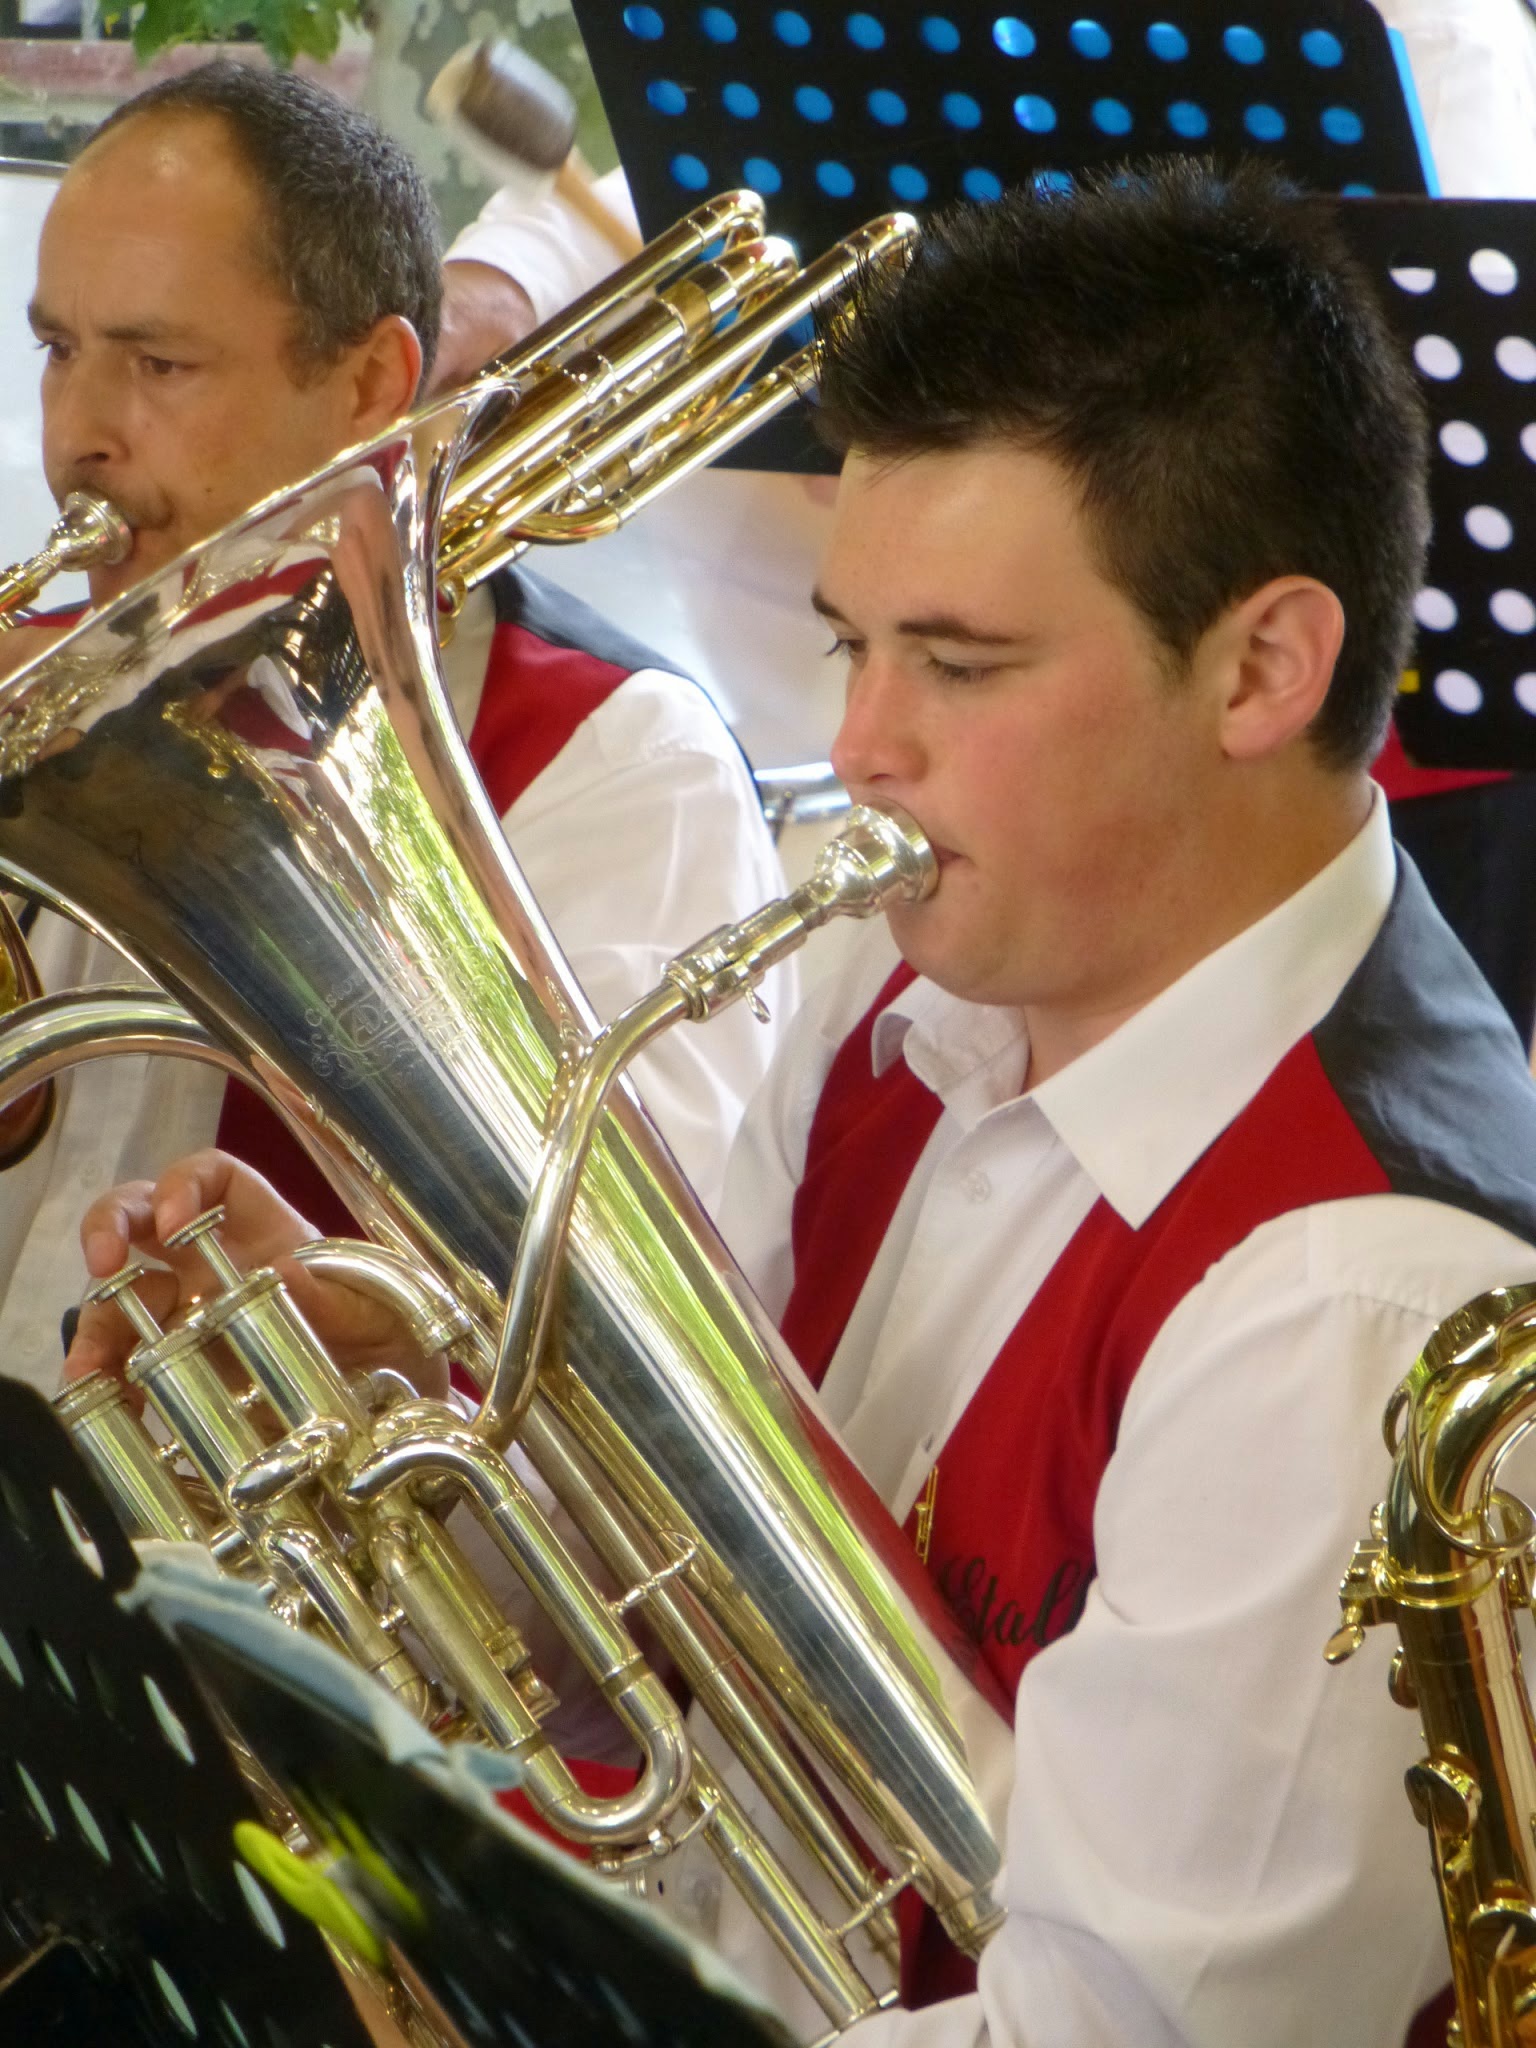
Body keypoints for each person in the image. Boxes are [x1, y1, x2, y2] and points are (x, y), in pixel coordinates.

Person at [66, 162, 1536, 2047]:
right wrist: (412, 1421)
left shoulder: (1350, 1308)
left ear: (1263, 665)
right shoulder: (894, 981)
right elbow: (673, 1646)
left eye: (958, 662)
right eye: (854, 643)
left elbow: (1099, 2032)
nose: (857, 747)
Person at [433, 0, 1536, 1033]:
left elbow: (1443, 316)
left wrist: (1014, 428)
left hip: (1364, 732)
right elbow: (785, 126)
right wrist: (514, 276)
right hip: (994, 769)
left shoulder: (1439, 37)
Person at [0, 63, 793, 1391]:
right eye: (60, 352)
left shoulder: (622, 770)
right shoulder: (65, 692)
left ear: (371, 385)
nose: (78, 436)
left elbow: (636, 1376)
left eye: (159, 363)